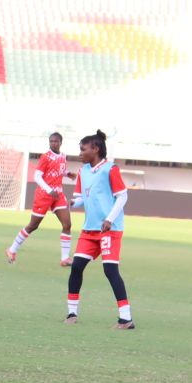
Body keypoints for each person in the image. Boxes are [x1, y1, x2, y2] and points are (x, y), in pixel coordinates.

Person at [65, 130, 134, 329]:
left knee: (110, 270)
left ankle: (126, 318)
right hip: (89, 230)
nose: (80, 153)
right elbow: (81, 198)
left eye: (83, 149)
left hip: (108, 230)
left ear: (95, 149)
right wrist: (71, 202)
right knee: (76, 267)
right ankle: (71, 313)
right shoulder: (83, 171)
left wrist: (110, 219)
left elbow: (122, 196)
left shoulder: (110, 169)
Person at [6, 131, 75, 266]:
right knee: (33, 225)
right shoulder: (45, 157)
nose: (53, 143)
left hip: (58, 195)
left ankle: (65, 258)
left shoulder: (63, 156)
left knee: (67, 224)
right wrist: (49, 190)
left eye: (56, 141)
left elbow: (58, 170)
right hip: (44, 195)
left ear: (61, 142)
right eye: (51, 141)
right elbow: (37, 176)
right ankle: (12, 249)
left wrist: (67, 174)